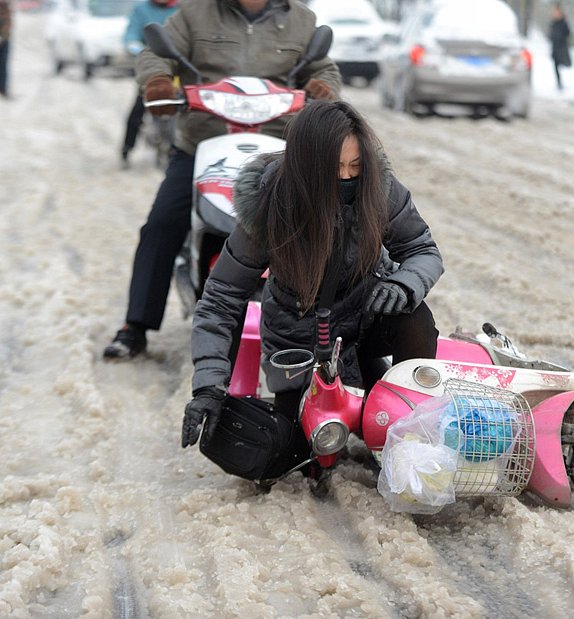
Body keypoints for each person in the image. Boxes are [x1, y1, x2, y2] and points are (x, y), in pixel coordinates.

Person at [180, 100, 444, 459]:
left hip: (364, 322)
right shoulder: (269, 205)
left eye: (356, 166)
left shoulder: (379, 188)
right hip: (299, 342)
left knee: (416, 319)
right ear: (306, 167)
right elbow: (222, 296)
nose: (348, 178)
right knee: (296, 453)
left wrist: (403, 284)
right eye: (335, 168)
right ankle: (331, 415)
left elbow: (422, 249)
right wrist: (208, 387)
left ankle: (406, 425)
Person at [103, 0, 342, 359]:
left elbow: (324, 67)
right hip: (201, 145)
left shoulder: (301, 19)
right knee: (162, 223)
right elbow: (156, 54)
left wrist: (323, 85)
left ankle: (321, 327)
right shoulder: (195, 12)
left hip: (277, 149)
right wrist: (157, 81)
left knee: (314, 228)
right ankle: (135, 325)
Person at [120, 0, 177, 167]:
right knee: (138, 108)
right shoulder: (141, 8)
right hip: (150, 67)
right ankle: (127, 148)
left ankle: (178, 151)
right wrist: (133, 46)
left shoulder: (184, 8)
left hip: (178, 67)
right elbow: (131, 32)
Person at [549, 5, 572, 90]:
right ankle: (559, 83)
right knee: (556, 67)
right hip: (555, 49)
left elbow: (567, 34)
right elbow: (551, 34)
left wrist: (560, 38)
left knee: (564, 65)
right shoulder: (553, 23)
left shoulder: (563, 23)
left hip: (562, 48)